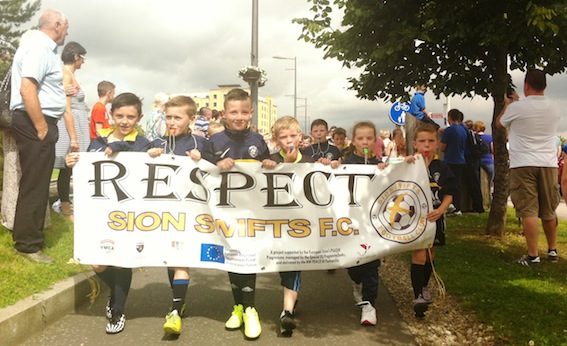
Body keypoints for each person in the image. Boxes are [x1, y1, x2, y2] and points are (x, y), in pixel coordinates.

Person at [66, 92, 150, 334]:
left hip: (130, 213)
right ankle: (115, 293)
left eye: (130, 117)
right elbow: (87, 176)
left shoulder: (143, 144)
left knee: (123, 260)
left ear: (139, 118)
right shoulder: (97, 142)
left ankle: (118, 310)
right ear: (111, 115)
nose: (125, 121)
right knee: (98, 262)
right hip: (101, 213)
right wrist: (75, 162)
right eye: (120, 115)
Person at [209, 88, 276, 340]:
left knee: (248, 257)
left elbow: (270, 166)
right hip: (224, 214)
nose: (239, 117)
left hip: (251, 212)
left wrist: (270, 163)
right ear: (224, 113)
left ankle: (250, 309)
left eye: (244, 112)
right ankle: (237, 306)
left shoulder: (257, 141)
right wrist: (216, 165)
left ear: (251, 113)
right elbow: (201, 172)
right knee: (232, 259)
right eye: (233, 112)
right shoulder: (214, 142)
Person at [146, 95, 213, 335]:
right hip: (165, 213)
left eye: (178, 117)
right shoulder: (157, 143)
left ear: (192, 119)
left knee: (180, 258)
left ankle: (175, 310)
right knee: (171, 258)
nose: (172, 121)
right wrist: (149, 156)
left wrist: (202, 159)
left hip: (191, 212)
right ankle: (179, 300)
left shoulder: (201, 143)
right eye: (168, 117)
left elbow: (215, 170)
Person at [9, 9, 69, 264]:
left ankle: (31, 238)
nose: (67, 32)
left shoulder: (41, 48)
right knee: (35, 183)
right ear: (56, 25)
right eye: (66, 28)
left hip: (38, 120)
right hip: (36, 122)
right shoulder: (40, 47)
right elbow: (27, 87)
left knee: (37, 181)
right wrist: (41, 127)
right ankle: (28, 245)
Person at [497, 69, 560, 266]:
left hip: (523, 163)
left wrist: (509, 104)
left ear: (526, 85)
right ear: (545, 85)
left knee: (529, 210)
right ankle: (552, 249)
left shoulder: (518, 107)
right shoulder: (554, 106)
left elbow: (500, 124)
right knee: (549, 209)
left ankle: (533, 255)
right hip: (548, 163)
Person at [268, 115, 315, 336]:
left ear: (300, 137)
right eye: (283, 137)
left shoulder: (309, 160)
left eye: (293, 136)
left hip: (300, 224)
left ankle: (287, 312)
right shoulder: (269, 159)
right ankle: (291, 298)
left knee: (293, 264)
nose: (289, 140)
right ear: (276, 140)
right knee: (283, 267)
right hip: (276, 224)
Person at [404, 123, 456, 317]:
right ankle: (417, 295)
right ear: (415, 143)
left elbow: (449, 194)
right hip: (415, 218)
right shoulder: (409, 165)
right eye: (422, 141)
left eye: (431, 141)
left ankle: (424, 285)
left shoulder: (442, 168)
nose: (426, 145)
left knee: (430, 253)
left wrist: (441, 210)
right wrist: (404, 163)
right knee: (419, 253)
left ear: (437, 143)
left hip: (435, 218)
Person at [344, 121, 384, 326]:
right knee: (353, 264)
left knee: (371, 265)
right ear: (354, 141)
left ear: (375, 139)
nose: (365, 141)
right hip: (350, 222)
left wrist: (386, 170)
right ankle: (356, 281)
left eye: (369, 138)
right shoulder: (346, 162)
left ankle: (369, 306)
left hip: (372, 223)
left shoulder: (380, 164)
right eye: (360, 138)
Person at [54, 41, 89, 220]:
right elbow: (66, 108)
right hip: (70, 125)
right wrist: (73, 137)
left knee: (74, 167)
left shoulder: (70, 75)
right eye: (82, 58)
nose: (83, 62)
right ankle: (65, 206)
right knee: (67, 167)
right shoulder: (65, 74)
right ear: (76, 56)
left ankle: (69, 202)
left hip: (79, 123)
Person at [440, 109, 467, 216]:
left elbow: (442, 147)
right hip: (461, 159)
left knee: (446, 184)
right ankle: (458, 207)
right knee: (457, 185)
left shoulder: (449, 130)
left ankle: (449, 205)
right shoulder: (463, 130)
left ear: (450, 117)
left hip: (450, 159)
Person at [462, 119, 484, 213]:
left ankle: (478, 207)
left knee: (473, 183)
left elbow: (473, 146)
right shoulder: (473, 134)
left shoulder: (469, 133)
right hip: (474, 159)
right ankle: (477, 206)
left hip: (471, 159)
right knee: (474, 183)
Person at [474, 121, 494, 188]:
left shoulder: (474, 137)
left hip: (476, 161)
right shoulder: (489, 137)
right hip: (488, 161)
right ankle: (490, 189)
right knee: (492, 177)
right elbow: (492, 149)